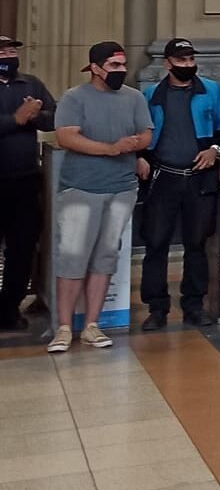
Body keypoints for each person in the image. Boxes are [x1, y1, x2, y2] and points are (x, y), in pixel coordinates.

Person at [47, 42, 152, 353]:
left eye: (123, 65)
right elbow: (67, 137)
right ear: (95, 68)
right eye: (114, 66)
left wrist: (135, 146)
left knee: (105, 256)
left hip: (121, 188)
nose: (121, 71)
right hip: (81, 189)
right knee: (73, 256)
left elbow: (146, 133)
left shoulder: (134, 97)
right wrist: (111, 148)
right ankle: (64, 327)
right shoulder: (74, 97)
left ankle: (92, 325)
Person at [139, 38, 220, 331]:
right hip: (163, 177)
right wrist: (141, 158)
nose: (188, 65)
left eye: (191, 59)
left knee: (196, 243)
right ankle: (157, 308)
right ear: (168, 64)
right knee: (156, 243)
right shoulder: (152, 95)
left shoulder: (211, 90)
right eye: (181, 60)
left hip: (199, 178)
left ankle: (194, 305)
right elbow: (142, 133)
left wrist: (214, 150)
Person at [0, 35, 54, 332]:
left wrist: (34, 116)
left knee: (22, 248)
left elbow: (54, 117)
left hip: (24, 181)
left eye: (11, 50)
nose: (8, 55)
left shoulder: (31, 84)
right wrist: (16, 119)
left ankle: (10, 308)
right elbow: (17, 119)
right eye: (3, 51)